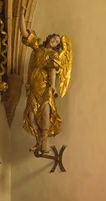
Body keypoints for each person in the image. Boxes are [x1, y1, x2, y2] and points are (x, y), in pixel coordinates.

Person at [19, 5, 71, 154]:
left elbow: (52, 69)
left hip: (46, 86)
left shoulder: (53, 56)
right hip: (34, 85)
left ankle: (45, 143)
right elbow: (24, 33)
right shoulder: (38, 49)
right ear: (48, 39)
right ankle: (38, 140)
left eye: (57, 41)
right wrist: (22, 14)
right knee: (30, 115)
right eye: (53, 38)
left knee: (45, 113)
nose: (55, 41)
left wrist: (53, 86)